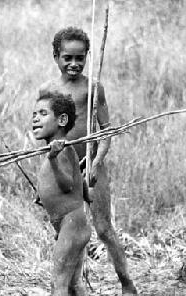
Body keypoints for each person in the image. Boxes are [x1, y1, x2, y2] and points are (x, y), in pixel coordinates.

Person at [39, 27, 137, 295]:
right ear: (56, 57)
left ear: (87, 57)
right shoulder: (47, 90)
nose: (74, 64)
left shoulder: (93, 88)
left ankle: (127, 282)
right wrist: (51, 166)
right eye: (67, 57)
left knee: (104, 228)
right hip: (64, 171)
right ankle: (74, 286)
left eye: (79, 58)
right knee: (68, 231)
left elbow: (106, 132)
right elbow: (41, 132)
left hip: (91, 166)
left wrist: (95, 162)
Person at [33, 91, 90, 296]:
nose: (35, 118)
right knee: (73, 284)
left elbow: (66, 184)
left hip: (72, 225)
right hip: (72, 224)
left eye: (42, 113)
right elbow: (78, 183)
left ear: (62, 119)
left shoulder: (61, 151)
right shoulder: (61, 150)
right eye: (34, 114)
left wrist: (53, 159)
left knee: (59, 284)